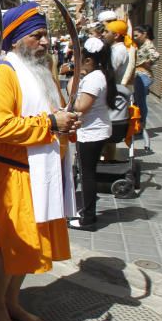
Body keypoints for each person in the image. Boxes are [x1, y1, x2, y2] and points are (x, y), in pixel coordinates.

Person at [0, 2, 80, 321]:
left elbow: (52, 116)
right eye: (38, 36)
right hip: (12, 174)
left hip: (41, 171)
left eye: (44, 35)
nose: (44, 42)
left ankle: (11, 301)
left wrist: (65, 124)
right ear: (19, 38)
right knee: (12, 246)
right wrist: (52, 123)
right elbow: (0, 128)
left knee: (28, 245)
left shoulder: (42, 70)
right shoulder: (4, 72)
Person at [68, 37, 118, 230]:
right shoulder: (99, 75)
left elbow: (81, 106)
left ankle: (88, 217)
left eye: (78, 57)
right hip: (97, 130)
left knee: (87, 175)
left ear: (88, 60)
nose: (74, 60)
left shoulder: (93, 79)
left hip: (91, 133)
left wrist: (72, 81)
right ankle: (87, 213)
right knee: (87, 173)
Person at [132, 25, 159, 143]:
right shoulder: (140, 44)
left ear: (144, 34)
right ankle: (137, 124)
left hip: (143, 75)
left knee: (139, 100)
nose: (135, 37)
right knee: (137, 101)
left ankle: (141, 125)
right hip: (138, 74)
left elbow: (155, 55)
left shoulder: (148, 44)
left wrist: (146, 63)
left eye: (137, 35)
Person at [102, 19, 135, 87]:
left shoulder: (119, 51)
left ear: (116, 35)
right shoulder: (115, 49)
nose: (103, 34)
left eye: (106, 32)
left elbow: (108, 73)